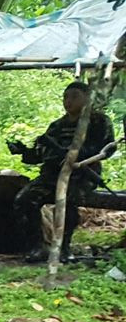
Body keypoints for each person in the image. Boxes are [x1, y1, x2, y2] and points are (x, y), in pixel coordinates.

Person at [9, 80, 116, 262]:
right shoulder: (57, 126)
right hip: (51, 176)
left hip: (81, 176)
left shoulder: (98, 122)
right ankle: (38, 246)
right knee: (24, 200)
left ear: (87, 99)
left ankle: (63, 248)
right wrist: (23, 152)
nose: (68, 101)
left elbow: (106, 149)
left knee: (67, 201)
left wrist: (73, 155)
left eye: (74, 97)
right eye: (66, 97)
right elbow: (41, 155)